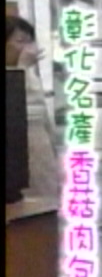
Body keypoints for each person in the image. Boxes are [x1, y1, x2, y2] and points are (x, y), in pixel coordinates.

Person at [5, 15, 59, 200]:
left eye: (30, 41)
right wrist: (22, 67)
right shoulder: (18, 73)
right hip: (17, 162)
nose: (28, 48)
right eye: (20, 41)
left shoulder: (28, 73)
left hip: (40, 151)